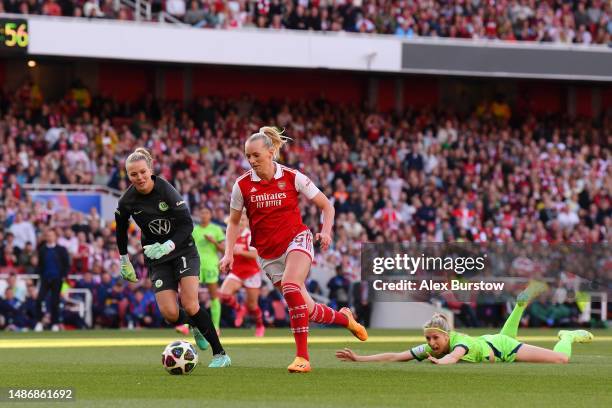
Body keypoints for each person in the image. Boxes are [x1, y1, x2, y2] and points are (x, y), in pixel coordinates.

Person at [220, 126, 367, 373]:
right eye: (248, 156)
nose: (251, 160)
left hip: (297, 240)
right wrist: (228, 253)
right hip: (267, 254)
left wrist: (326, 231)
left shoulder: (292, 176)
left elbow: (327, 206)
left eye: (256, 155)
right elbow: (234, 222)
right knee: (306, 309)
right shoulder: (242, 185)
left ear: (270, 152)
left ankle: (302, 358)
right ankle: (345, 319)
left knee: (290, 286)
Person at [115, 147, 230, 367]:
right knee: (170, 313)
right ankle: (193, 324)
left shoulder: (166, 190)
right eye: (133, 174)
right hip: (157, 257)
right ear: (128, 175)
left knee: (190, 303)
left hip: (182, 249)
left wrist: (169, 244)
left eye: (142, 172)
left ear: (150, 170)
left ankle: (220, 354)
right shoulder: (127, 200)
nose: (139, 177)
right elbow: (120, 229)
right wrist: (124, 259)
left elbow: (187, 224)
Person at [336, 282, 594, 365]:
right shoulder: (435, 346)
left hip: (502, 347)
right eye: (428, 339)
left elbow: (455, 356)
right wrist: (360, 358)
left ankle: (567, 337)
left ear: (446, 335)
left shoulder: (456, 343)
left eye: (435, 338)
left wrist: (440, 361)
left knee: (561, 360)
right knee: (507, 334)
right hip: (490, 341)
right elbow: (396, 355)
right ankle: (520, 304)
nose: (431, 343)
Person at [218, 212, 265, 337]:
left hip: (251, 272)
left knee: (252, 305)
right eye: (239, 220)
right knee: (223, 295)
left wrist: (241, 251)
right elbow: (228, 252)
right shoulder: (231, 235)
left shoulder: (249, 235)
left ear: (247, 222)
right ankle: (239, 308)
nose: (241, 223)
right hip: (237, 271)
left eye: (243, 220)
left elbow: (255, 255)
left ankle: (260, 325)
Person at [35, 229, 70, 331]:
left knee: (55, 302)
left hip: (57, 279)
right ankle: (39, 322)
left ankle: (55, 323)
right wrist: (40, 275)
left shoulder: (61, 250)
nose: (49, 237)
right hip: (45, 279)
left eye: (51, 235)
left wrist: (63, 275)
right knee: (39, 300)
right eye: (48, 235)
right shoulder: (42, 250)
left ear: (55, 237)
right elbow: (40, 265)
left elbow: (66, 264)